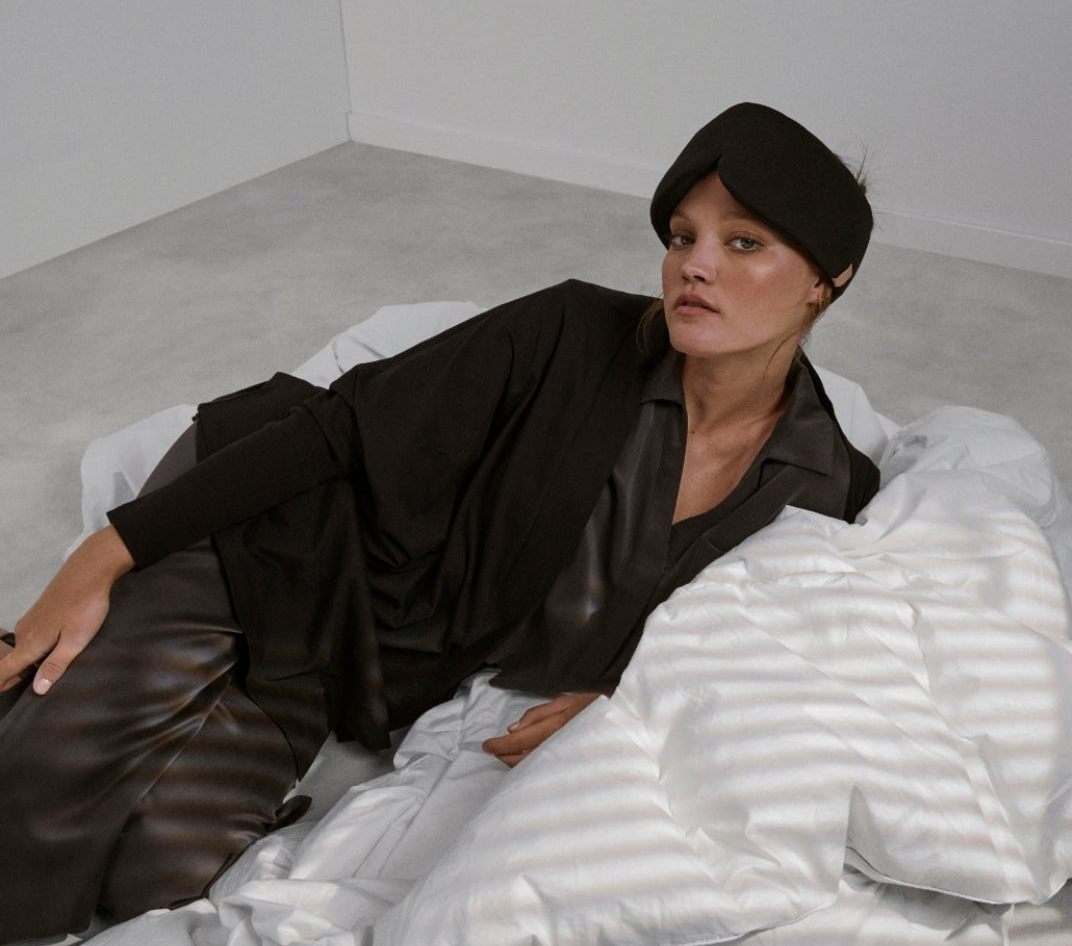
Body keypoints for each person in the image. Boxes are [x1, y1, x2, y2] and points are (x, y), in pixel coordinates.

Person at [0, 102, 879, 942]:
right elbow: (333, 431)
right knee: (34, 796)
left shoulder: (825, 487)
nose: (694, 265)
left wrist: (621, 701)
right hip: (275, 535)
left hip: (357, 655)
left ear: (826, 279)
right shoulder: (572, 329)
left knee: (155, 875)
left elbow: (746, 650)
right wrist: (105, 552)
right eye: (683, 237)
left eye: (743, 243)